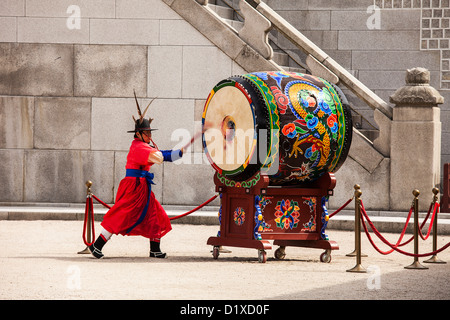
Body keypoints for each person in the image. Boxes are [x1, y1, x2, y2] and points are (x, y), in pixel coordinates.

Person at [89, 94, 183, 259]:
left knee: (156, 214)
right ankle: (97, 245)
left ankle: (155, 249)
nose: (149, 136)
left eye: (149, 132)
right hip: (134, 187)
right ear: (139, 134)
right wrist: (174, 154)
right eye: (147, 133)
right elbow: (159, 157)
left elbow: (156, 154)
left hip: (142, 187)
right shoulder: (140, 147)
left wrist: (174, 154)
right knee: (121, 215)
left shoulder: (143, 145)